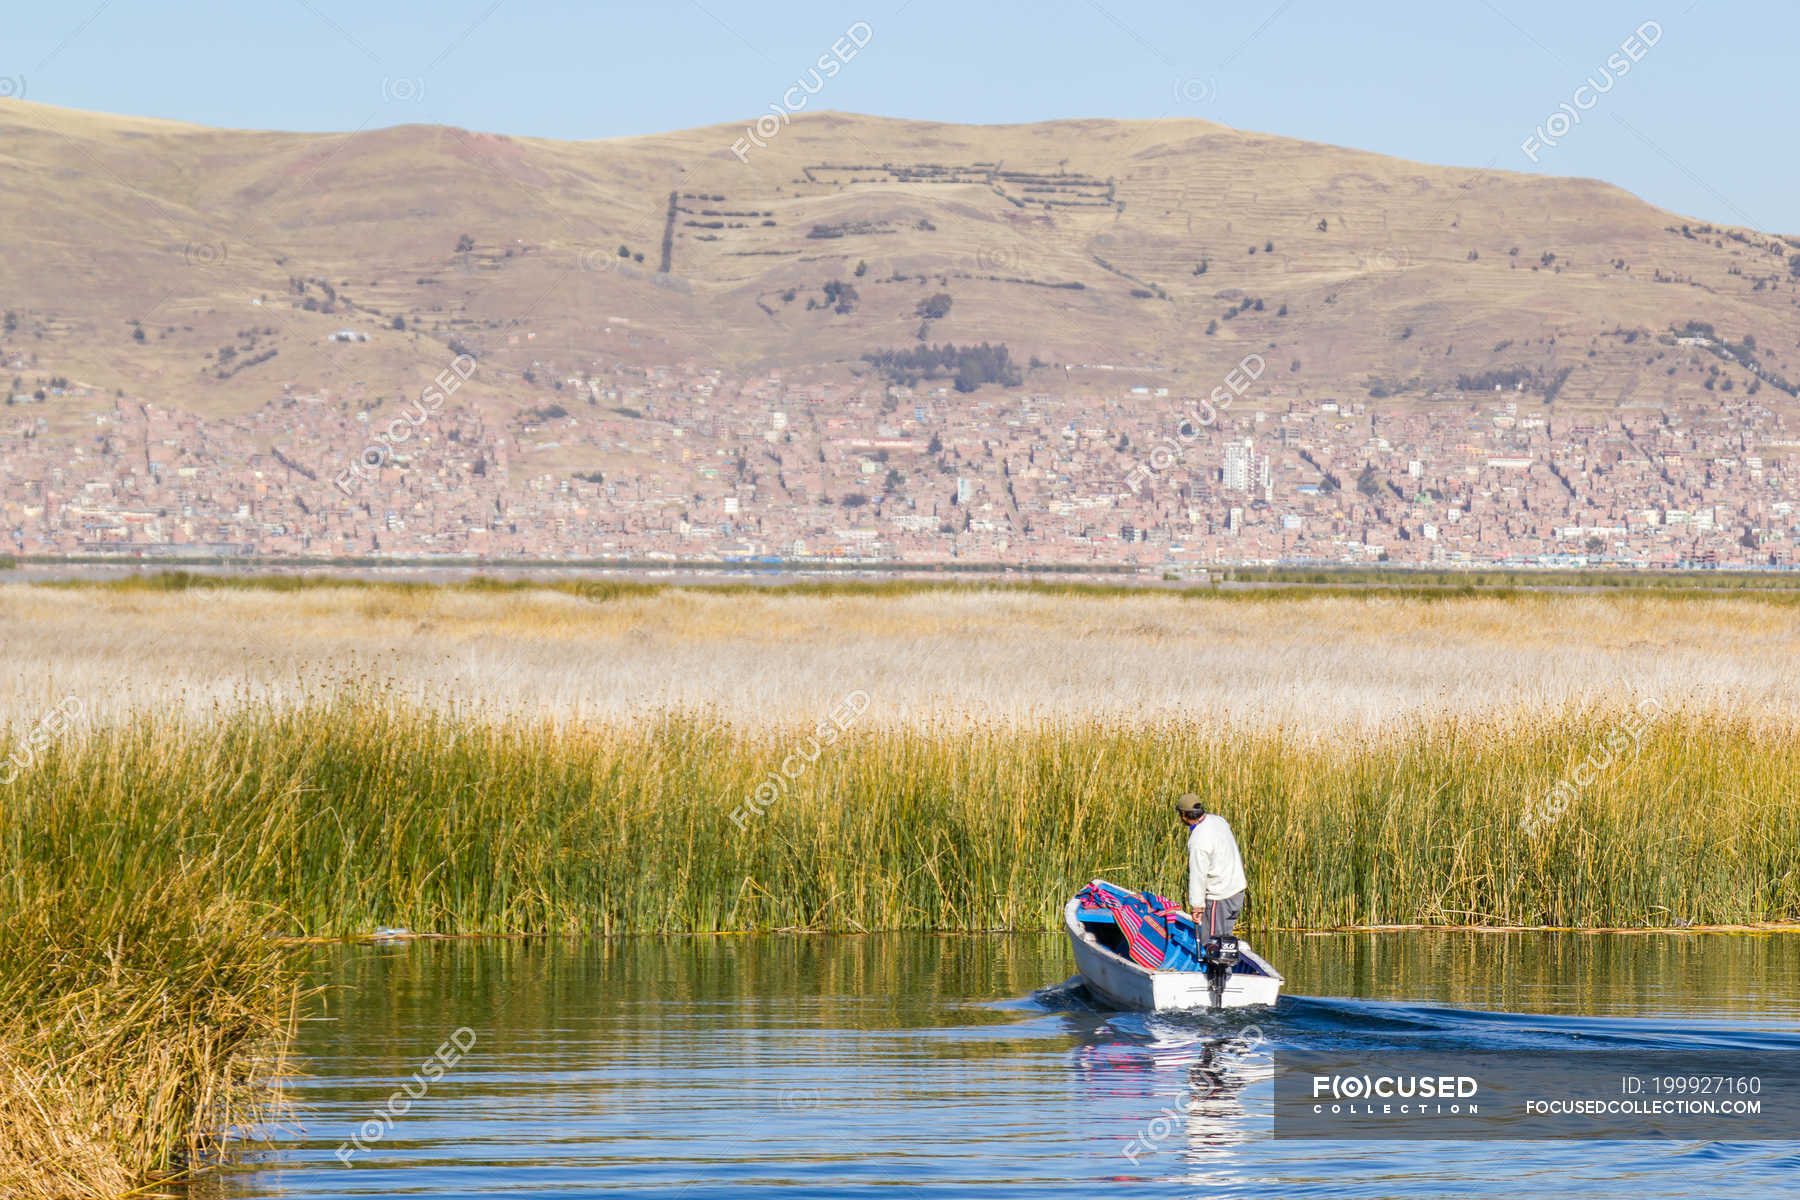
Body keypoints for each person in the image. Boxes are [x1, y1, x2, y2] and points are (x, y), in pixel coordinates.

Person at [1175, 793, 1247, 941]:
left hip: (1220, 897)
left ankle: (1216, 964)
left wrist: (1197, 906)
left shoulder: (1198, 840)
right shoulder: (1219, 821)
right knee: (1225, 938)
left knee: (1214, 943)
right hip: (1237, 891)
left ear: (1183, 814)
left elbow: (1198, 875)